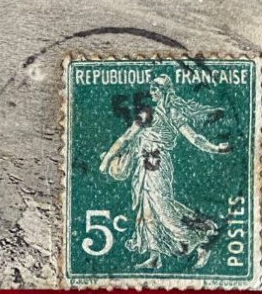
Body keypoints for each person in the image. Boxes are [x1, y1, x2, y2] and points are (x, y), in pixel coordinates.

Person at [99, 75, 231, 271]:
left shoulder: (172, 114)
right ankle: (154, 256)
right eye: (152, 88)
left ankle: (201, 239)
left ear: (164, 92)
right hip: (144, 165)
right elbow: (127, 136)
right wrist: (108, 159)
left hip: (157, 164)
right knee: (147, 209)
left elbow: (194, 137)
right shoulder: (147, 113)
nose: (152, 92)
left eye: (156, 89)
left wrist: (215, 148)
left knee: (162, 208)